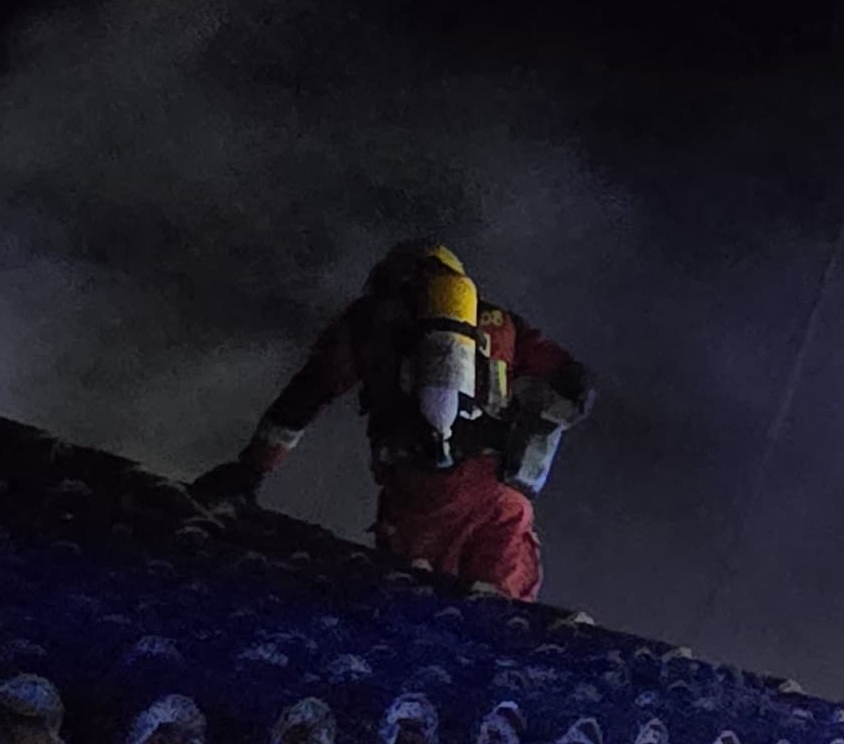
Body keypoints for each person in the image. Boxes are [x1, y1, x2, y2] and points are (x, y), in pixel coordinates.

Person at [191, 241, 595, 599]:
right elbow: (575, 384)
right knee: (507, 628)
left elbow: (304, 398)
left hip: (414, 501)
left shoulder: (369, 321)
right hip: (497, 499)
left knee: (411, 611)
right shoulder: (501, 321)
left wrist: (252, 468)